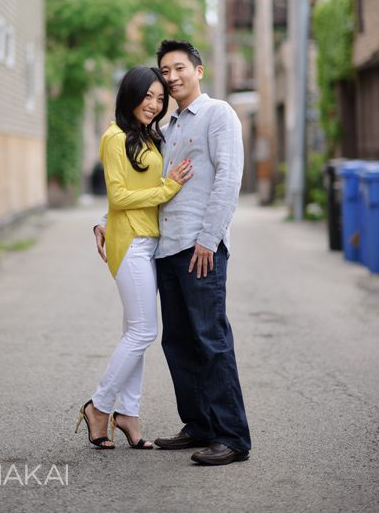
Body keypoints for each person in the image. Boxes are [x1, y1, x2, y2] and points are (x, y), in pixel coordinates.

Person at [95, 40, 251, 466]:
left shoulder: (217, 114)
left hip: (200, 246)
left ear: (198, 70)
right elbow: (135, 186)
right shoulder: (167, 126)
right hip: (164, 246)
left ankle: (232, 436)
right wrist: (106, 222)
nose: (172, 77)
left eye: (179, 68)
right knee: (178, 342)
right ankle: (199, 425)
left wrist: (209, 237)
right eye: (165, 71)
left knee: (211, 340)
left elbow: (228, 178)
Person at [76, 65, 193, 450]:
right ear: (131, 94)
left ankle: (128, 413)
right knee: (144, 331)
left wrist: (102, 220)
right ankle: (100, 405)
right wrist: (168, 188)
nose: (155, 104)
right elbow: (119, 196)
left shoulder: (146, 136)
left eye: (160, 99)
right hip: (130, 244)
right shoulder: (114, 137)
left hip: (148, 242)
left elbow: (126, 194)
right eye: (148, 96)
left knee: (135, 333)